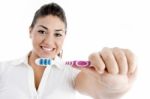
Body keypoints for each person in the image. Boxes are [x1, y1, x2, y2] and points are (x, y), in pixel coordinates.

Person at [0, 2, 137, 99]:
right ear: (30, 31)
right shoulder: (3, 69)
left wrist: (115, 86)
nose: (48, 41)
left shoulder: (73, 74)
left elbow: (101, 91)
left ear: (64, 37)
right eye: (42, 31)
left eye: (58, 34)